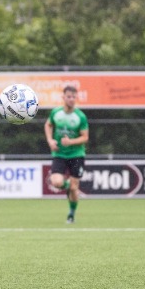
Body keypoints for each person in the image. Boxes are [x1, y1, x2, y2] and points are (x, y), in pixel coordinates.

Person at [44, 85, 89, 224]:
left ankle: (71, 213)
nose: (71, 99)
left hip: (76, 154)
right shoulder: (56, 113)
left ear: (76, 98)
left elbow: (85, 137)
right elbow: (48, 125)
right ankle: (68, 183)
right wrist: (50, 140)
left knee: (74, 189)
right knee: (56, 182)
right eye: (68, 96)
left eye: (74, 97)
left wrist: (70, 142)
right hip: (60, 154)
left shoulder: (80, 116)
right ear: (63, 98)